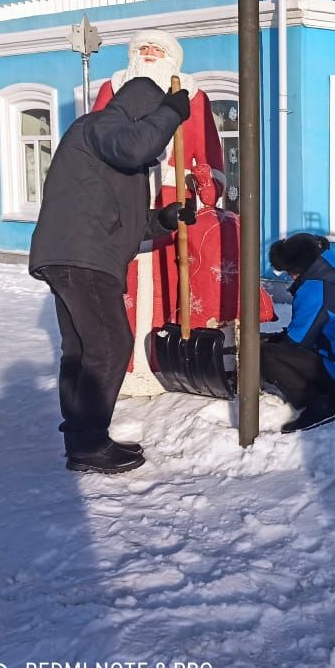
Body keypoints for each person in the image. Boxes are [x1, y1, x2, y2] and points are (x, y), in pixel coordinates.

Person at [91, 29, 274, 395]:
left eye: (157, 49)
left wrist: (205, 181)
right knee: (125, 281)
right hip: (127, 195)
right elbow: (94, 146)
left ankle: (163, 360)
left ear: (172, 59)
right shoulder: (112, 91)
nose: (149, 53)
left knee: (173, 278)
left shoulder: (192, 96)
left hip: (174, 202)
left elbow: (210, 157)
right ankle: (126, 365)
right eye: (142, 48)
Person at [29, 77, 194, 473]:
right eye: (152, 117)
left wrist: (165, 220)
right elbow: (135, 143)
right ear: (141, 109)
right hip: (82, 256)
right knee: (109, 345)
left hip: (74, 254)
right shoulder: (98, 126)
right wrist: (171, 112)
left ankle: (81, 439)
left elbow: (127, 226)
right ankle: (89, 444)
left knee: (82, 351)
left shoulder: (115, 160)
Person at [262, 234, 335, 433]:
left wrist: (266, 344)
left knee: (265, 355)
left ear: (299, 266)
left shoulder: (316, 288)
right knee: (273, 349)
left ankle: (320, 406)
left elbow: (297, 342)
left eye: (289, 271)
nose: (289, 276)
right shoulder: (332, 276)